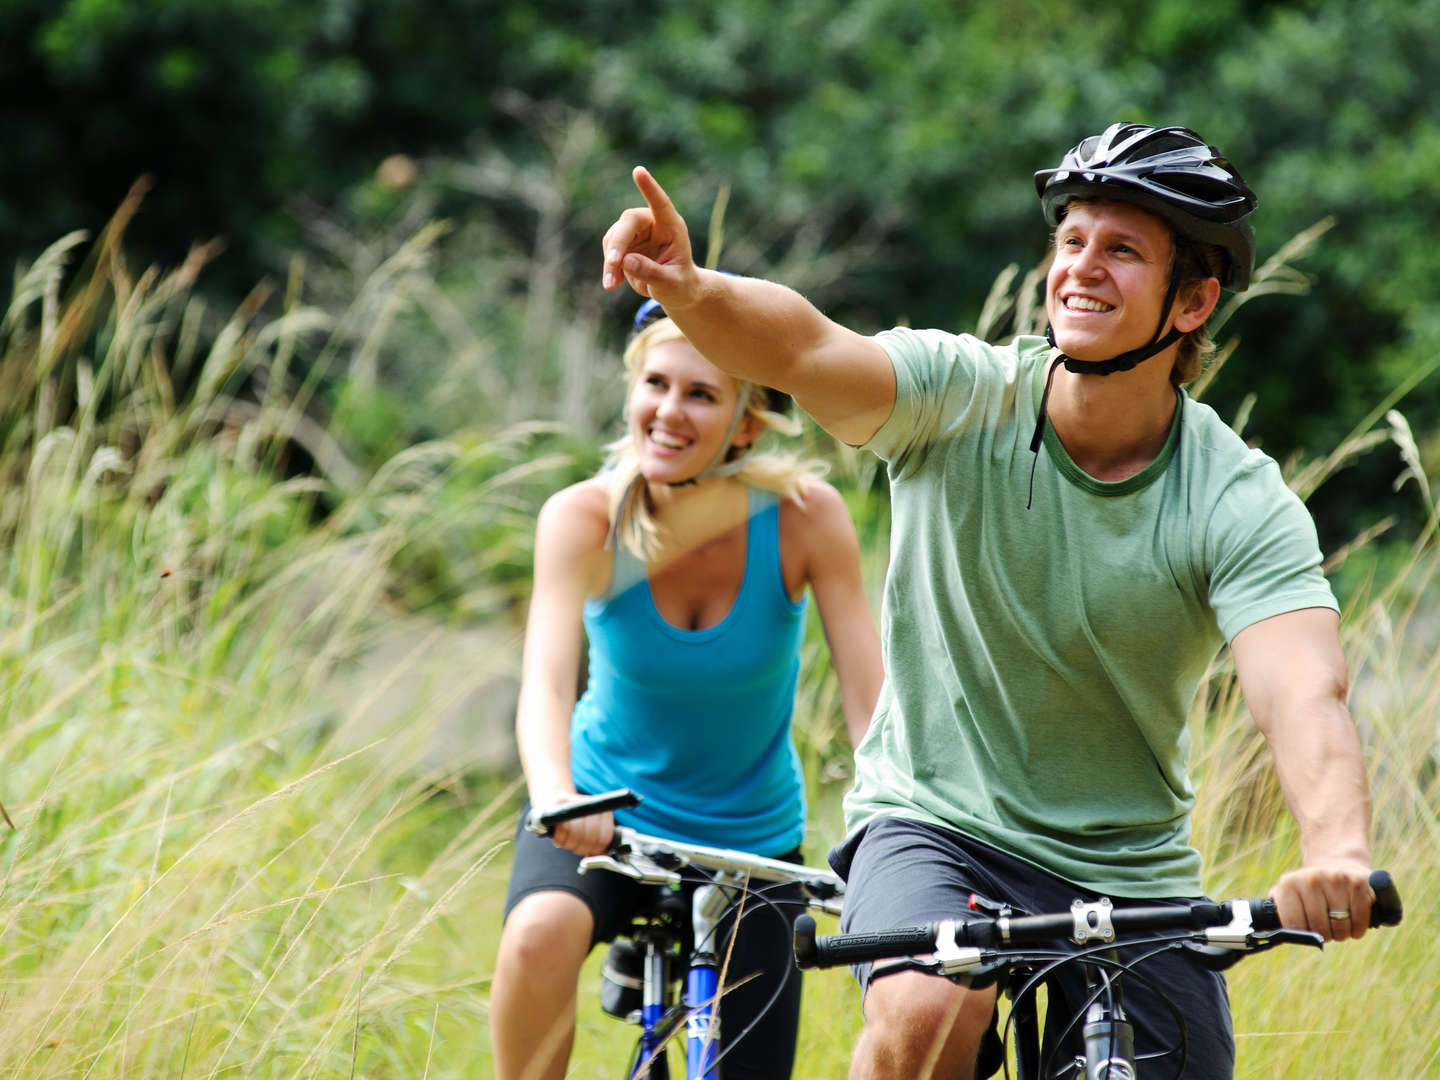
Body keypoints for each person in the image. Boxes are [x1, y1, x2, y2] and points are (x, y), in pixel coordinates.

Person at [599, 122, 1376, 1079]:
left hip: (1127, 871)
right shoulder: (960, 396)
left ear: (1194, 301)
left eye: (1123, 250)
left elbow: (1300, 689)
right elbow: (802, 348)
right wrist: (691, 289)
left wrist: (1335, 849)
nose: (1082, 268)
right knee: (925, 1009)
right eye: (1072, 240)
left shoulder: (1233, 497)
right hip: (933, 826)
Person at [490, 302, 884, 1080]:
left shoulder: (806, 518)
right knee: (538, 932)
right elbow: (546, 681)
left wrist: (885, 833)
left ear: (744, 423)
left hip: (752, 843)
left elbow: (868, 699)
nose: (668, 412)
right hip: (602, 819)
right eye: (655, 385)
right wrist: (558, 796)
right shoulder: (584, 519)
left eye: (700, 395)